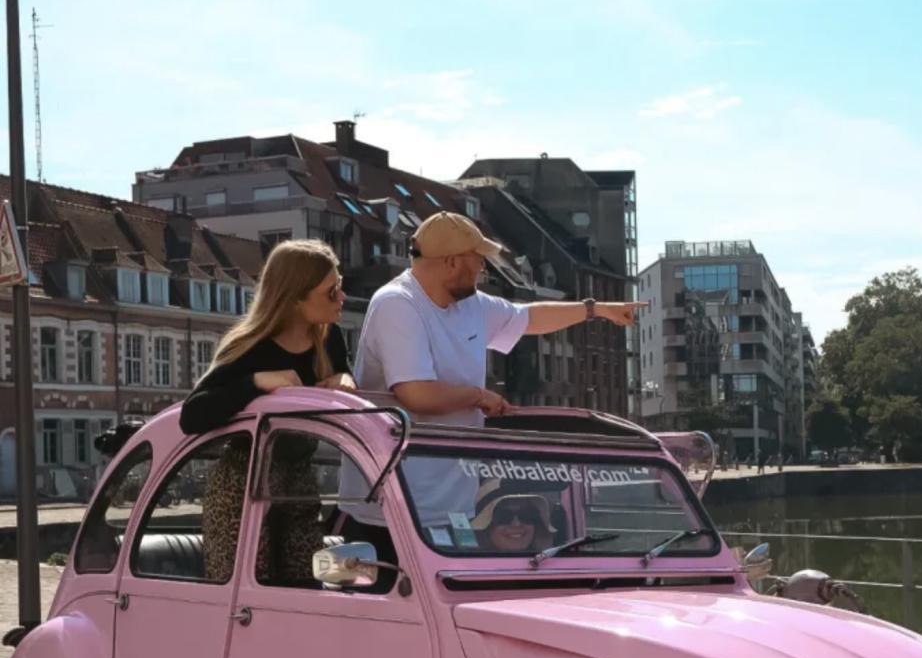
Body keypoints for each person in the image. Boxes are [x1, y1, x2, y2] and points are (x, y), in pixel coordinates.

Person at [341, 211, 644, 532]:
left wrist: (595, 310)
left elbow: (528, 318)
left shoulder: (471, 305)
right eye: (478, 260)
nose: (483, 269)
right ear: (453, 262)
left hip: (453, 503)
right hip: (390, 508)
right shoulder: (397, 304)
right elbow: (416, 394)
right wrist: (478, 396)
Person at [179, 239, 355, 435]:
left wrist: (346, 378)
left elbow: (348, 393)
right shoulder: (250, 347)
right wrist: (256, 382)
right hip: (247, 465)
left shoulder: (330, 338)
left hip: (308, 465)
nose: (342, 296)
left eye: (339, 284)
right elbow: (190, 417)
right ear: (295, 298)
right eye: (332, 292)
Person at [472, 493, 555, 553]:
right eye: (503, 516)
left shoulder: (556, 562)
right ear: (486, 528)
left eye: (527, 514)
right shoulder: (467, 566)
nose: (516, 523)